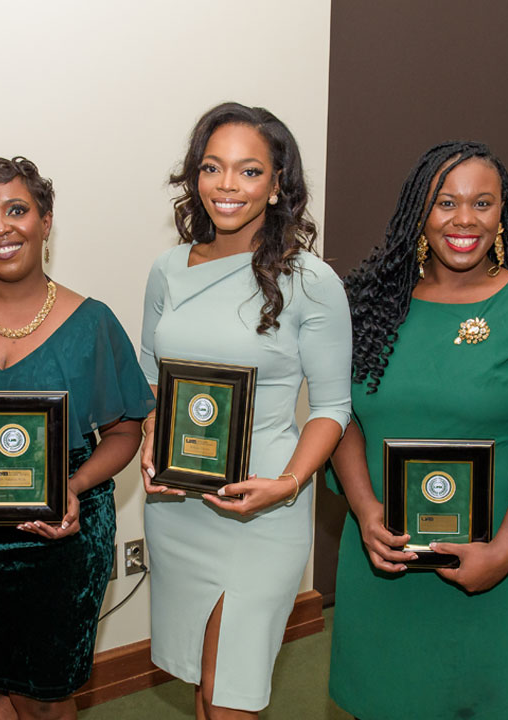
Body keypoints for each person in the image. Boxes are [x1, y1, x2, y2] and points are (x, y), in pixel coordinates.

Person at [327, 141, 508, 719]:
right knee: (388, 701)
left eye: (483, 203)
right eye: (446, 202)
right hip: (384, 555)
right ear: (420, 211)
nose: (464, 220)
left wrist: (506, 549)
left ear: (502, 214)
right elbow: (341, 418)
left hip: (499, 558)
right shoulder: (368, 305)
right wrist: (367, 513)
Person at [0, 156, 153, 720]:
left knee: (46, 696)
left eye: (17, 209)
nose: (0, 227)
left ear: (45, 220)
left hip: (63, 531)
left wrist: (74, 484)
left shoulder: (93, 322)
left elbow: (124, 430)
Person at [137, 102, 352, 718]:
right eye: (212, 167)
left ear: (278, 182)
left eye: (248, 170)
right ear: (194, 176)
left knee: (232, 689)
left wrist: (287, 485)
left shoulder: (311, 280)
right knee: (206, 686)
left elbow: (333, 407)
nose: (227, 186)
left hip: (262, 504)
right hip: (180, 504)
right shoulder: (168, 270)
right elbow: (150, 377)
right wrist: (154, 442)